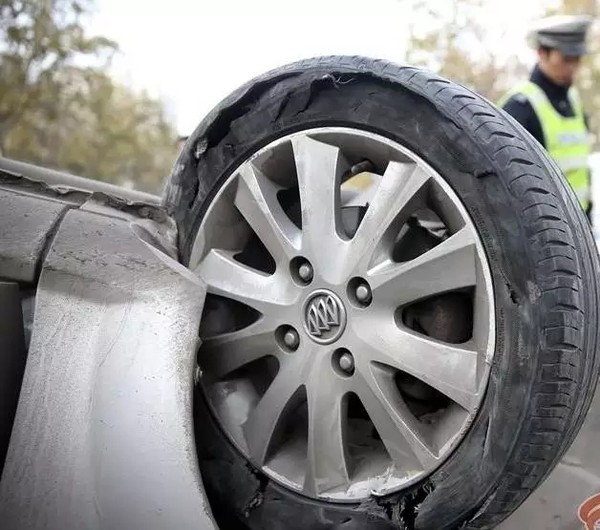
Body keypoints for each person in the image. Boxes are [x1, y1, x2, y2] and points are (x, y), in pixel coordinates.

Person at [499, 15, 594, 220]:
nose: (573, 67)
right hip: (546, 232)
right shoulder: (520, 107)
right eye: (566, 59)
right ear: (542, 53)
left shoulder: (574, 101)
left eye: (576, 59)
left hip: (580, 226)